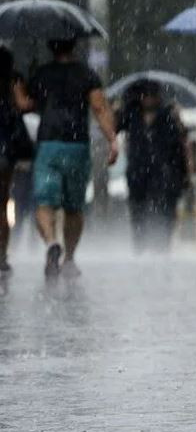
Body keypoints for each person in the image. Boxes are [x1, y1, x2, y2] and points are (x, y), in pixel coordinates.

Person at [23, 38, 118, 277]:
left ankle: (51, 243)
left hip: (48, 144)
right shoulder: (86, 75)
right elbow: (99, 108)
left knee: (45, 203)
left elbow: (26, 104)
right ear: (73, 46)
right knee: (74, 207)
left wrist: (29, 81)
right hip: (77, 145)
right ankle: (70, 259)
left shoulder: (42, 74)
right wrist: (112, 140)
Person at [116, 79, 192, 252]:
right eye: (146, 95)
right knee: (138, 213)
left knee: (165, 214)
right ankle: (140, 247)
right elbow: (114, 126)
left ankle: (162, 248)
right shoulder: (132, 115)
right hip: (138, 174)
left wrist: (186, 173)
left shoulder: (168, 116)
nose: (149, 99)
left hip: (165, 175)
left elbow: (183, 143)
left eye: (153, 95)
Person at [0, 46, 32, 273]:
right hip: (6, 147)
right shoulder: (13, 81)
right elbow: (24, 106)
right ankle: (1, 256)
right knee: (2, 204)